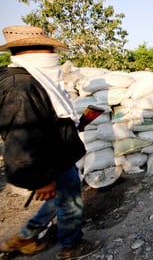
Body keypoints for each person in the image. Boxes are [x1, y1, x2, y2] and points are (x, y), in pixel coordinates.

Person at [0, 25, 101, 259]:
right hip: (50, 163)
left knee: (63, 197)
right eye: (48, 49)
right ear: (34, 51)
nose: (52, 55)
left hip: (57, 156)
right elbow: (22, 139)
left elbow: (46, 122)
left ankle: (26, 236)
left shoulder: (33, 79)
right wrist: (43, 180)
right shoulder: (20, 86)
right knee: (71, 202)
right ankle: (71, 246)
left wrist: (78, 125)